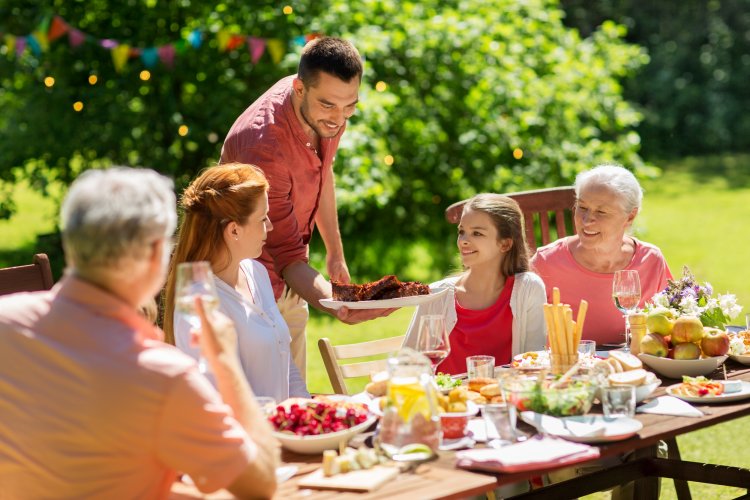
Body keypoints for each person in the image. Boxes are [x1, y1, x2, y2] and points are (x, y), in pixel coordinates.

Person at [0, 168, 279, 498]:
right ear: (154, 255)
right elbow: (260, 484)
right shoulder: (164, 377)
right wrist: (224, 359)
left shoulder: (6, 323)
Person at [220, 37, 392, 382]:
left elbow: (321, 170)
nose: (340, 120)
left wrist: (335, 253)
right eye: (330, 106)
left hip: (292, 276)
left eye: (350, 107)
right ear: (299, 89)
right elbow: (284, 255)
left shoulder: (322, 112)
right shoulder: (264, 145)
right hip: (243, 286)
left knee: (293, 396)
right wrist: (340, 304)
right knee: (264, 407)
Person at [163, 163, 309, 402]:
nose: (270, 227)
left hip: (281, 433)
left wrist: (305, 409)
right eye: (263, 219)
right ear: (234, 231)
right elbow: (220, 398)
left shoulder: (256, 272)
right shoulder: (199, 301)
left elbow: (283, 360)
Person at [531, 163, 672, 346]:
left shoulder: (650, 261)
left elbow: (671, 325)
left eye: (601, 211)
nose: (587, 220)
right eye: (582, 207)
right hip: (565, 370)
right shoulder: (546, 263)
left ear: (629, 217)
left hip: (630, 369)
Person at [404, 193, 547, 373]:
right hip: (444, 399)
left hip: (503, 398)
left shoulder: (528, 289)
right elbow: (407, 364)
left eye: (477, 233)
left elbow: (534, 365)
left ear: (505, 244)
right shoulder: (437, 295)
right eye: (461, 231)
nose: (463, 241)